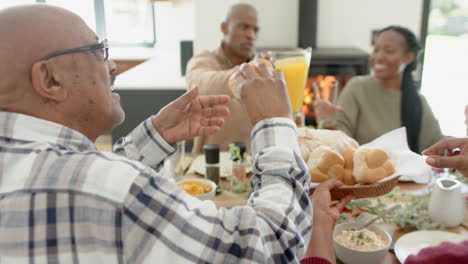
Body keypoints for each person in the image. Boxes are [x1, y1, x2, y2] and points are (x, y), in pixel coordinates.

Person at [0, 4, 350, 263]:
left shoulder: (29, 165)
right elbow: (268, 245)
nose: (112, 64)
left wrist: (155, 135)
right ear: (49, 79)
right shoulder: (111, 189)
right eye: (99, 50)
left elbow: (78, 185)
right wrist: (275, 118)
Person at [316, 25, 443, 153]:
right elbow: (340, 142)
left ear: (408, 57)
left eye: (389, 51)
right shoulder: (357, 88)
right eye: (376, 50)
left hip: (405, 173)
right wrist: (328, 121)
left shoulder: (418, 102)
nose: (379, 57)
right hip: (361, 171)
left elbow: (438, 147)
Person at [186, 3, 259, 154]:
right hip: (208, 167)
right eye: (244, 27)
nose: (251, 35)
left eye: (255, 30)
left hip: (253, 169)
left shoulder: (261, 68)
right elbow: (201, 85)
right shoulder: (203, 60)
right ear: (224, 27)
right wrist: (248, 72)